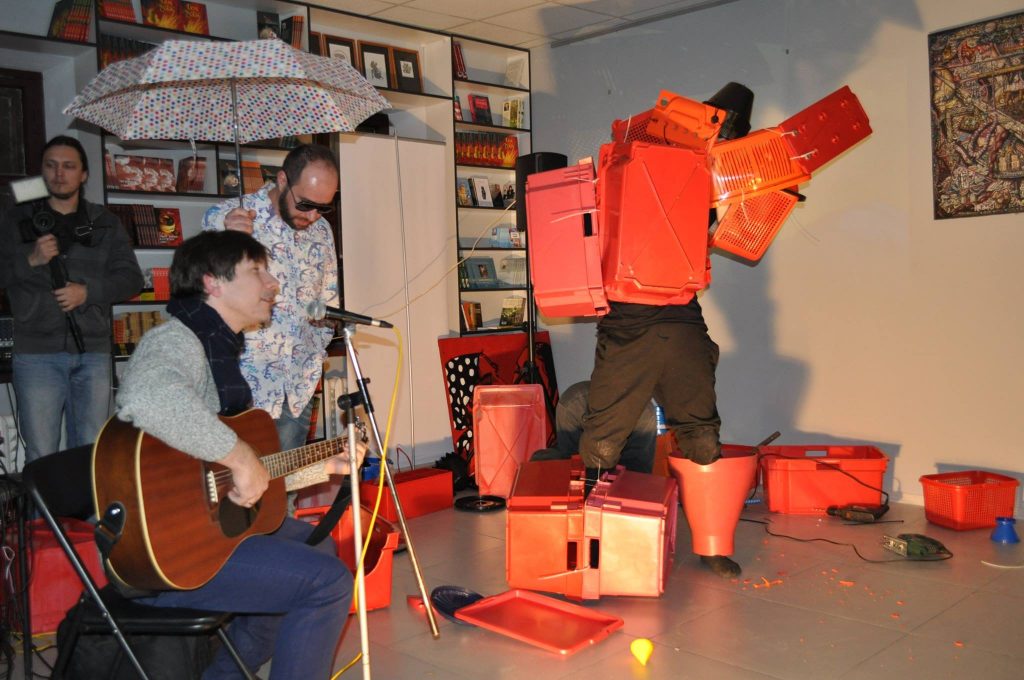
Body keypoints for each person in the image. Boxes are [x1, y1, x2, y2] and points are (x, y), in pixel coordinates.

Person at [115, 230, 360, 679]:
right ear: (213, 282)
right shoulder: (175, 342)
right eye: (257, 271)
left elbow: (224, 477)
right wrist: (241, 457)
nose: (273, 284)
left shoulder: (221, 352)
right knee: (327, 582)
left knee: (319, 548)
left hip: (206, 529)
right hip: (169, 552)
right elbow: (148, 397)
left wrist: (321, 467)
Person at [576, 83, 756, 579]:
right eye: (722, 131)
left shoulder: (701, 177)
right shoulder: (636, 168)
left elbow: (713, 235)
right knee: (605, 439)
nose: (724, 141)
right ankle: (591, 547)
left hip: (675, 318)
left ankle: (711, 545)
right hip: (634, 320)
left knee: (699, 435)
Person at [0, 135, 143, 463]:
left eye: (68, 166)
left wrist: (87, 292)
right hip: (36, 353)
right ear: (42, 171)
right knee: (42, 453)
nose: (59, 173)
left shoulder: (104, 222)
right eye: (51, 166)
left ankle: (86, 503)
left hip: (92, 352)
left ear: (84, 174)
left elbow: (131, 279)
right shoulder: (16, 220)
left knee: (91, 452)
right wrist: (31, 260)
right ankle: (46, 502)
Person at [203, 144, 339, 454]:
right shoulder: (225, 218)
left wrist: (319, 343)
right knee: (238, 480)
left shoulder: (322, 231)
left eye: (323, 207)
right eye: (305, 204)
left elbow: (327, 297)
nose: (313, 215)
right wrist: (228, 241)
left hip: (298, 386)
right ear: (282, 180)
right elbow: (200, 295)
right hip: (243, 386)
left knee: (285, 481)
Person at [532, 380, 657, 473]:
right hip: (577, 406)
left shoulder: (644, 414)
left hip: (631, 418)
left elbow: (638, 471)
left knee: (635, 474)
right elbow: (570, 460)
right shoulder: (573, 404)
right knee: (569, 467)